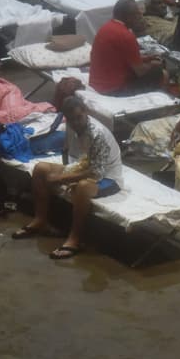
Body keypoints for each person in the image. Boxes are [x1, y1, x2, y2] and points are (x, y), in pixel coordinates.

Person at [12, 95, 124, 259]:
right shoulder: (71, 125)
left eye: (79, 118)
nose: (77, 122)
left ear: (86, 112)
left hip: (108, 177)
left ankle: (75, 239)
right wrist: (67, 172)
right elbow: (69, 152)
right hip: (85, 165)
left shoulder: (97, 134)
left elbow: (96, 172)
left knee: (83, 187)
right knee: (41, 169)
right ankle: (40, 220)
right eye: (72, 119)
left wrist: (63, 179)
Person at [89, 0, 165, 95]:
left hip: (97, 84)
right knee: (160, 74)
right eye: (138, 14)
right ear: (129, 17)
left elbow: (120, 58)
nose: (141, 16)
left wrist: (147, 58)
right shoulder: (126, 36)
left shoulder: (105, 28)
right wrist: (153, 64)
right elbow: (140, 71)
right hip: (113, 90)